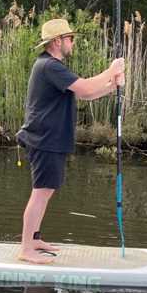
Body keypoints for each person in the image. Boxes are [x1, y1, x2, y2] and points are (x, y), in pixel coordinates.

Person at [16, 18, 125, 264]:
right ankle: (25, 248)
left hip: (50, 139)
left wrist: (111, 86)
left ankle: (33, 239)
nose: (72, 43)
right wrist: (111, 70)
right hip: (44, 139)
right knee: (41, 193)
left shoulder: (52, 67)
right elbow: (85, 88)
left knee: (46, 191)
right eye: (70, 38)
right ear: (57, 42)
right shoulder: (49, 66)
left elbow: (86, 94)